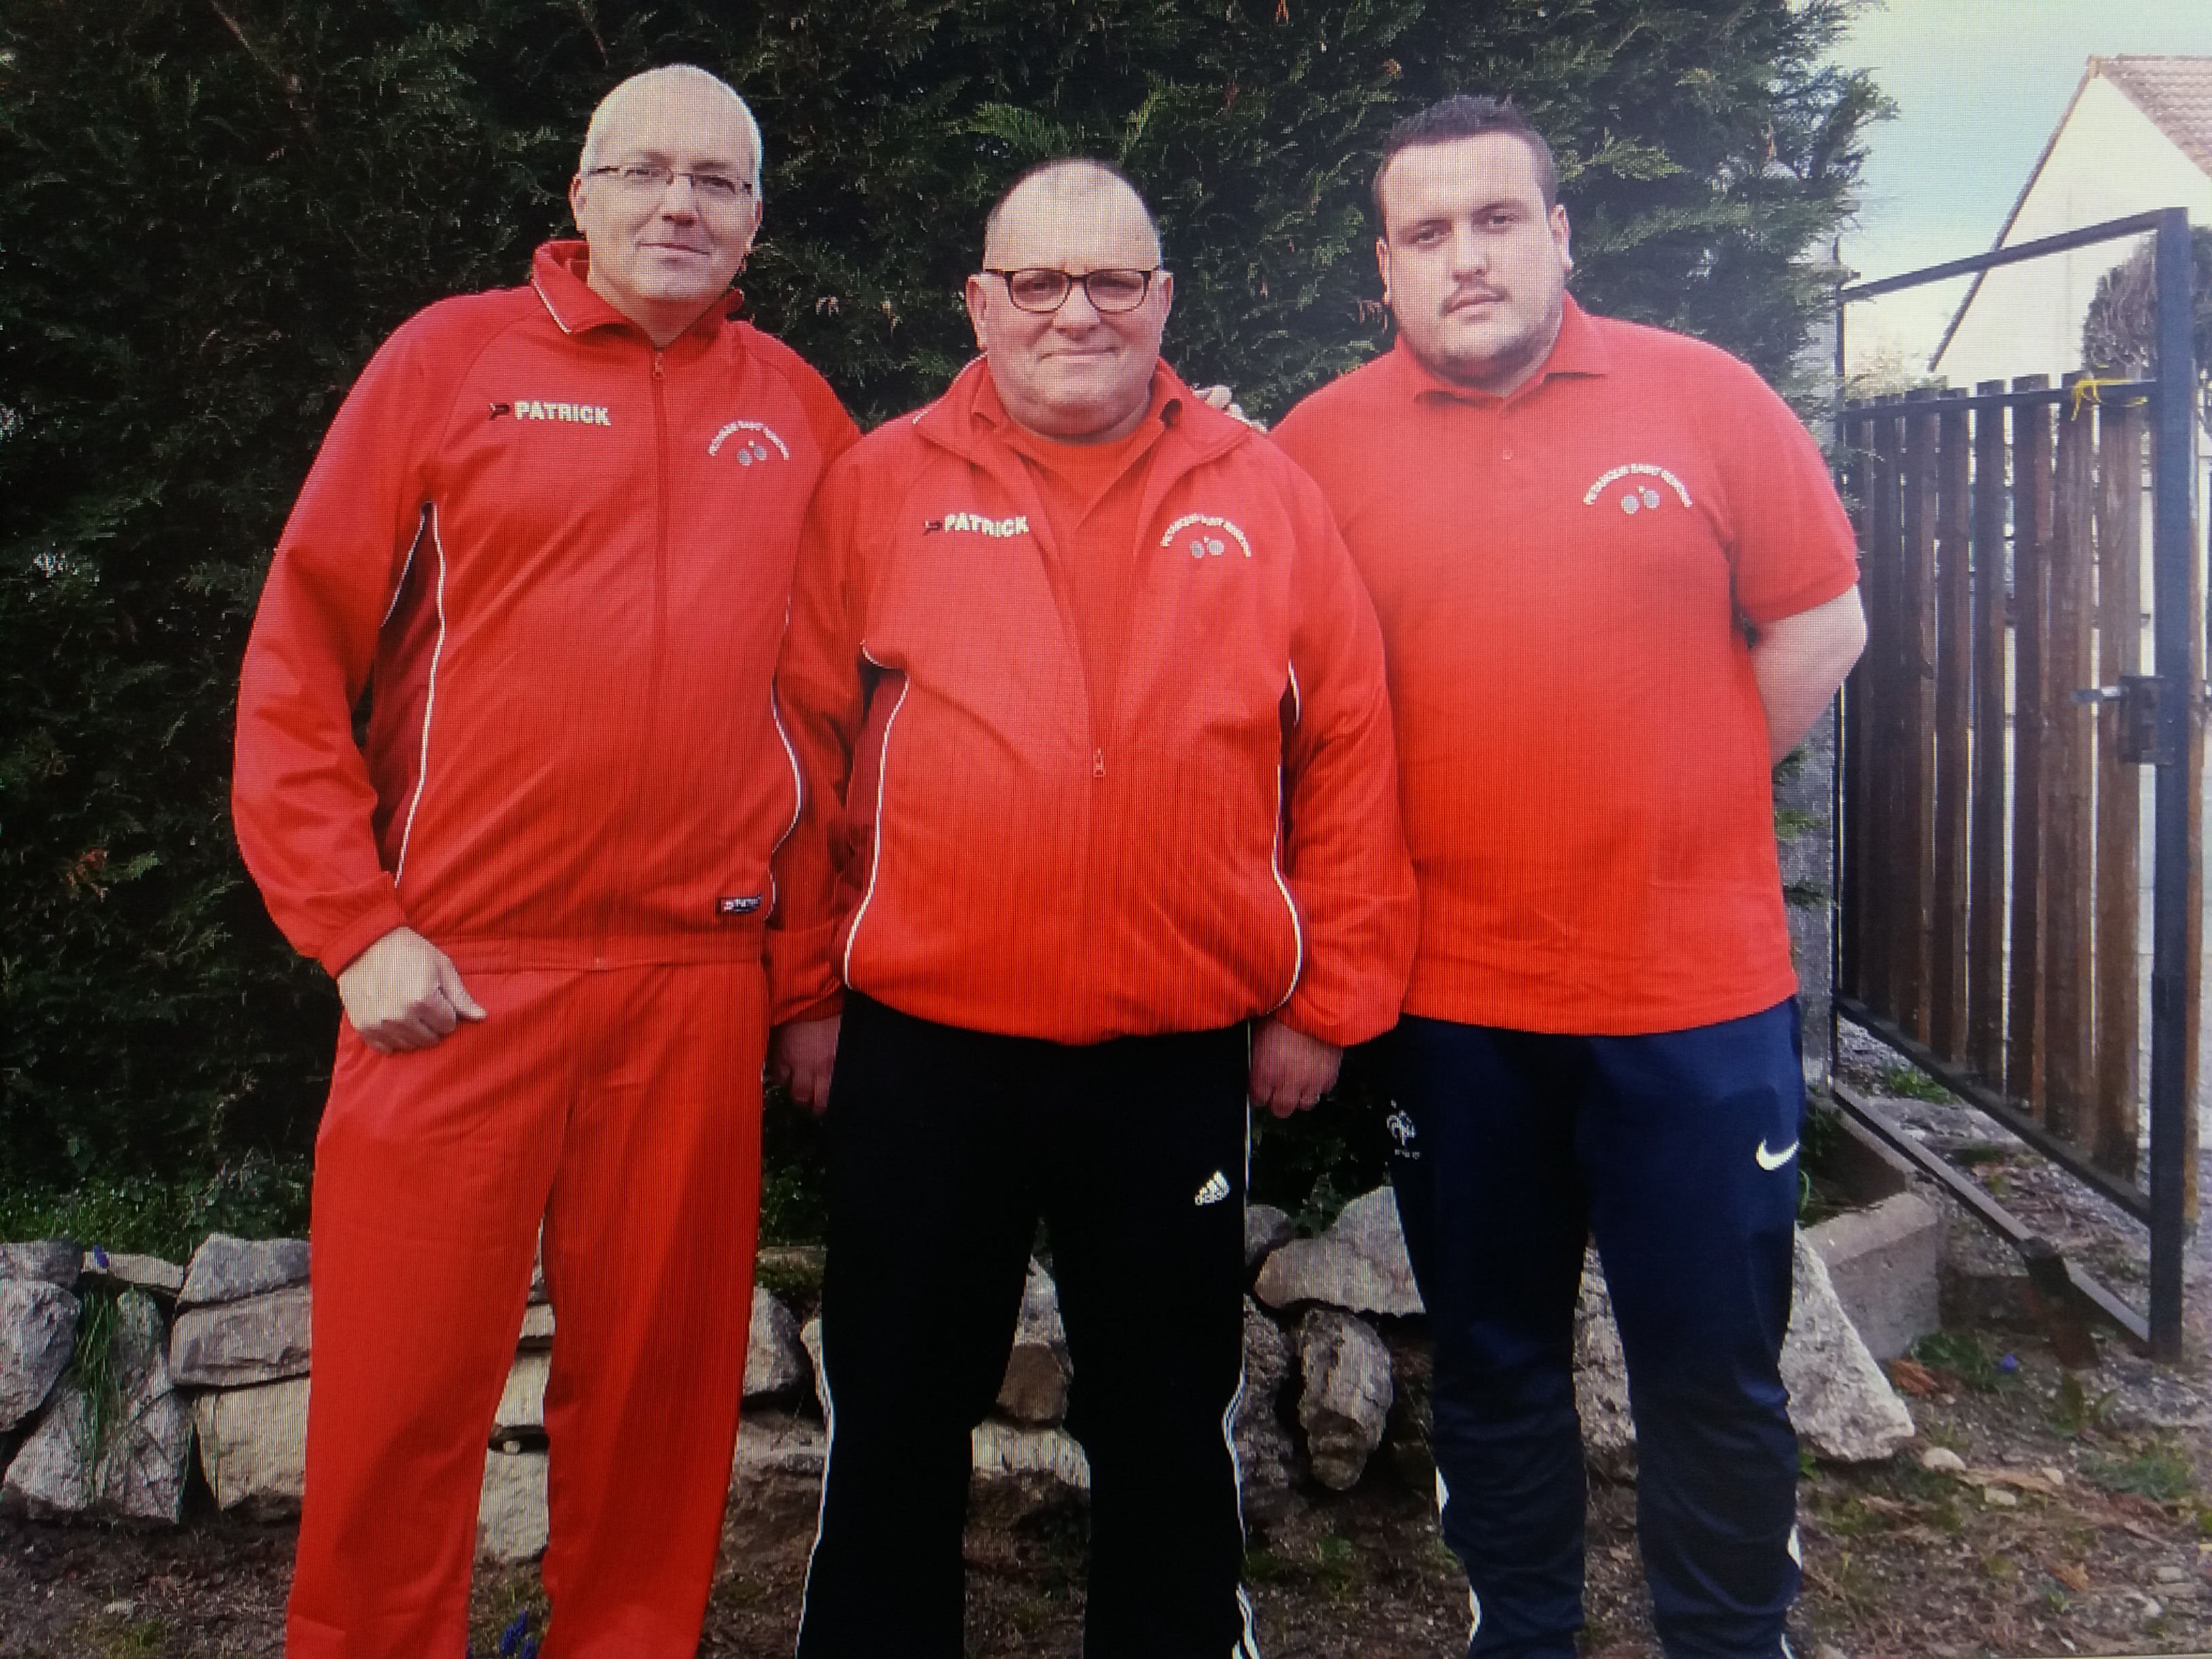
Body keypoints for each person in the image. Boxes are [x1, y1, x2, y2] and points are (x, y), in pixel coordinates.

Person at [230, 64, 857, 1658]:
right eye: (643, 172)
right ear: (577, 197)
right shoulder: (449, 363)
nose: (679, 206)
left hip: (695, 981)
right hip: (452, 973)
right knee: (397, 1399)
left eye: (716, 183)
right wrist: (352, 928)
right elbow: (297, 658)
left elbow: (837, 718)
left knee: (658, 1407)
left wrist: (802, 983)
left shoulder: (794, 408)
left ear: (757, 223)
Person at [767, 157, 1417, 1659]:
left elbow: (1355, 749)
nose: (1078, 310)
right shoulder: (880, 486)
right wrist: (803, 990)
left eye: (1113, 279)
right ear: (981, 302)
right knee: (898, 1405)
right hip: (927, 1049)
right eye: (1040, 282)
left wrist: (1329, 997)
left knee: (1167, 1412)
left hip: (1170, 1053)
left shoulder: (1267, 494)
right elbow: (798, 752)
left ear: (1164, 299)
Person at [1273, 96, 1867, 1659]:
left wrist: (1682, 793)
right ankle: (1523, 1634)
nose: (1464, 259)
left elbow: (1818, 623)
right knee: (1493, 1357)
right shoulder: (1314, 448)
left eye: (1495, 221)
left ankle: (1732, 1639)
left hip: (1696, 996)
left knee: (1710, 1369)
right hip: (1452, 1007)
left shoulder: (1711, 398)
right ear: (1385, 271)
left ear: (1559, 234)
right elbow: (1275, 697)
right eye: (1426, 234)